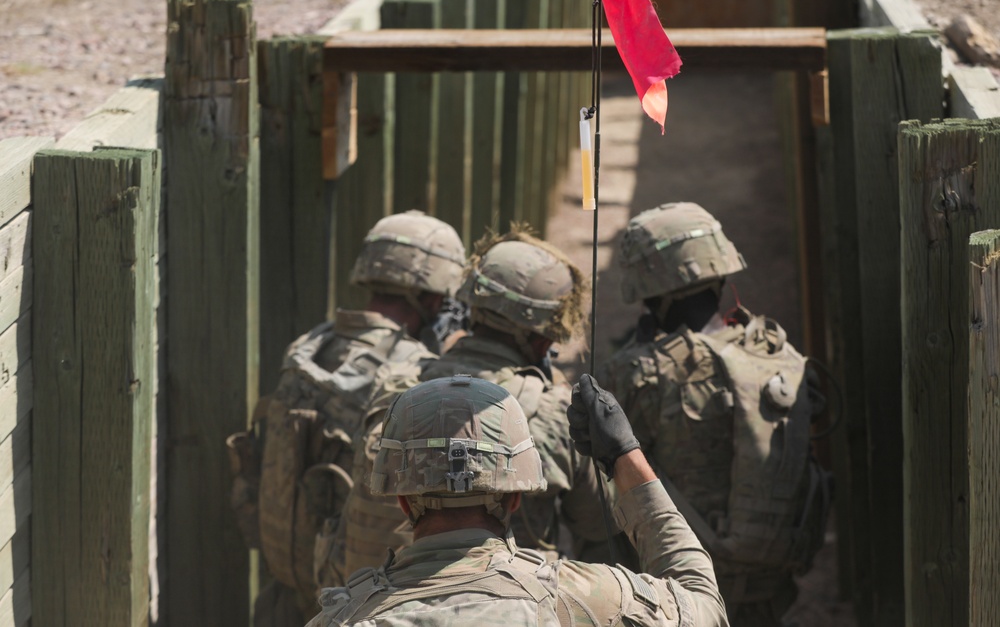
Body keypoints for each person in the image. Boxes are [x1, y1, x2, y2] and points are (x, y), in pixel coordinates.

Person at [306, 374, 729, 627]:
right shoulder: (586, 597)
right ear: (513, 499)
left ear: (402, 501)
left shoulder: (343, 617)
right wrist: (624, 456)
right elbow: (704, 606)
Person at [225, 210, 466, 626]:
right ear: (432, 298)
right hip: (353, 607)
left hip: (285, 589)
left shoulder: (309, 348)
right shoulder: (415, 374)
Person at [333, 228, 614, 579]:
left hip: (385, 601)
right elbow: (601, 528)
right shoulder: (553, 412)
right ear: (544, 341)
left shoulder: (394, 382)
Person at [599, 202, 830, 627]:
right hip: (771, 581)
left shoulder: (637, 371)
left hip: (680, 588)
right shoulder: (776, 353)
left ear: (650, 293)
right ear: (720, 276)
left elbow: (602, 484)